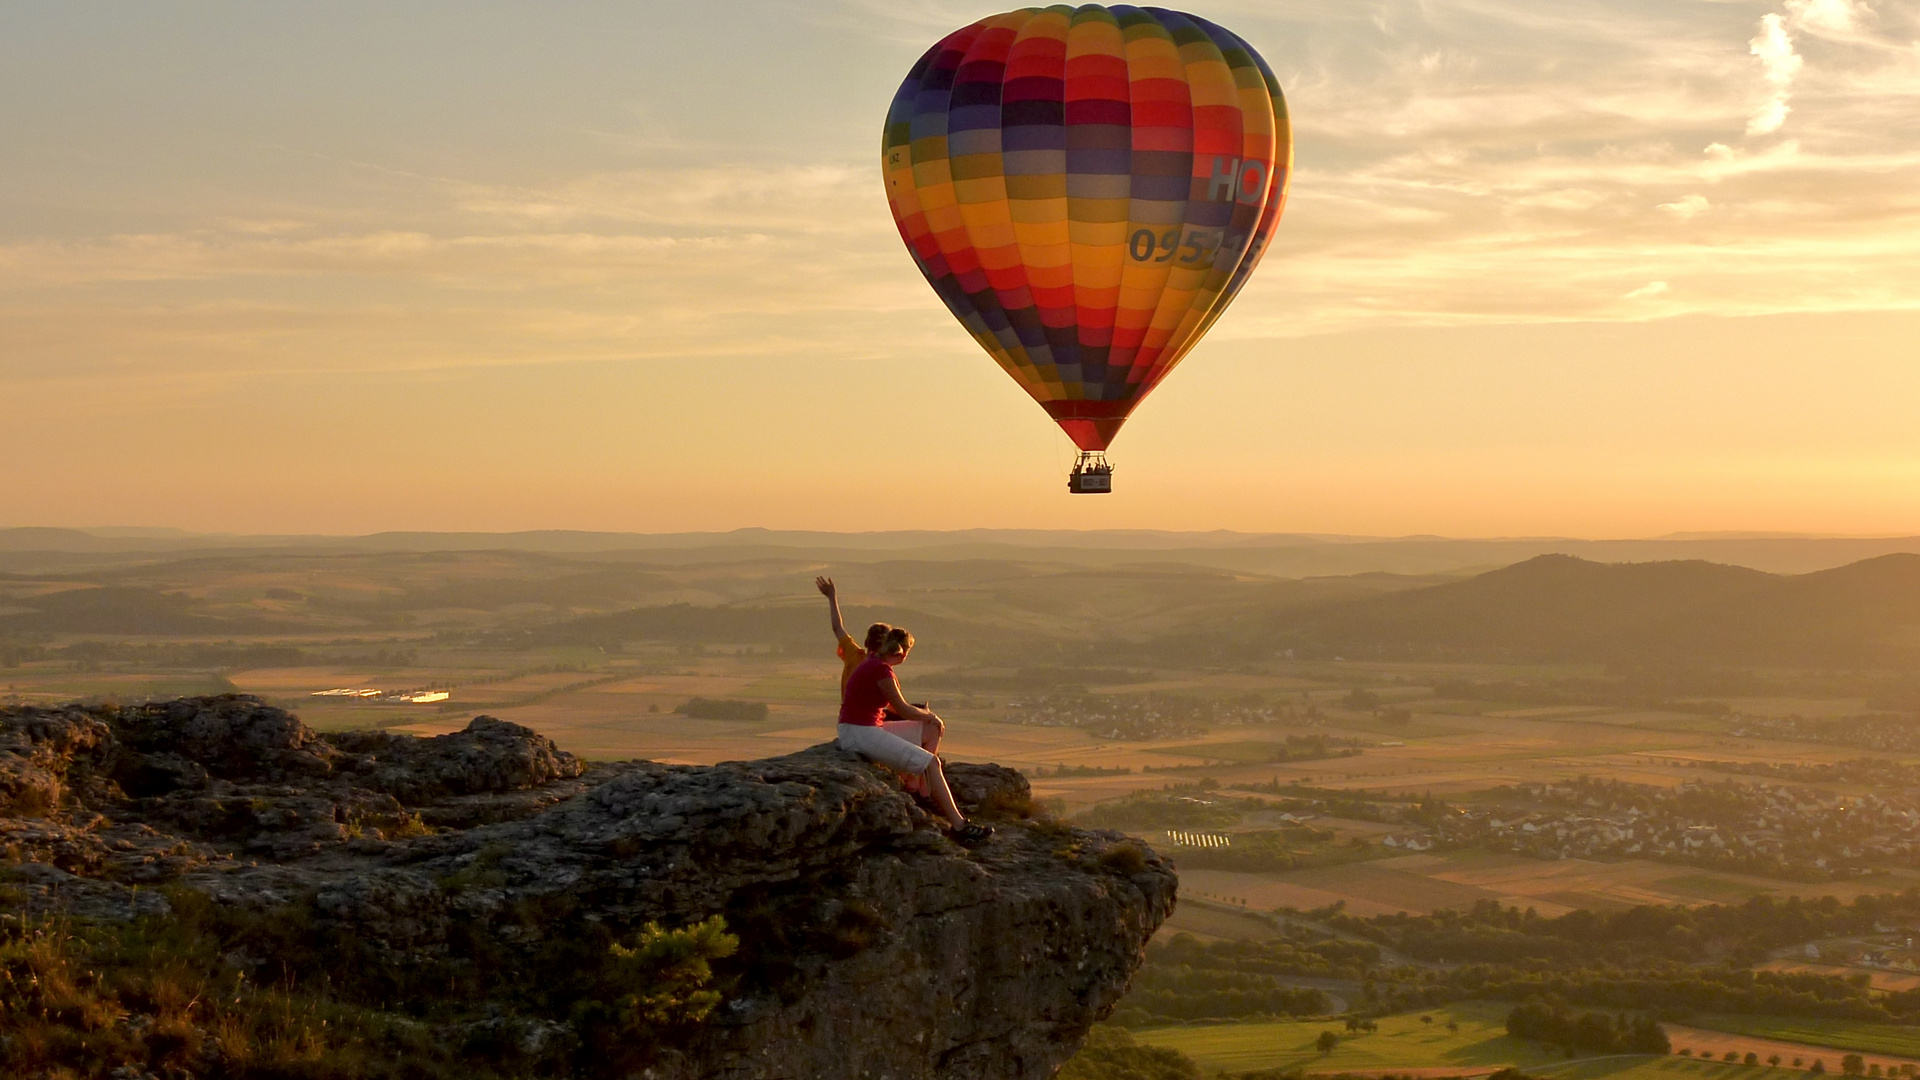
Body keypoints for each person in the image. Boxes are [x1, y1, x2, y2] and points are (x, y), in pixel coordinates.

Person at [838, 626, 991, 845]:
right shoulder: (881, 670)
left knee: (930, 730)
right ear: (903, 651)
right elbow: (902, 709)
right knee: (931, 761)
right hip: (860, 733)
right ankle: (959, 825)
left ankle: (922, 789)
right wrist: (930, 714)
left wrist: (927, 720)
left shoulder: (874, 662)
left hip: (862, 728)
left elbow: (892, 706)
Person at [816, 576, 939, 791]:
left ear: (865, 642)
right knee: (924, 724)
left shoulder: (855, 655)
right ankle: (917, 780)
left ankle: (912, 774)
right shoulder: (881, 670)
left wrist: (832, 597)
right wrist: (923, 713)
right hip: (866, 722)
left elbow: (837, 628)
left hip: (852, 719)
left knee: (913, 719)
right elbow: (896, 707)